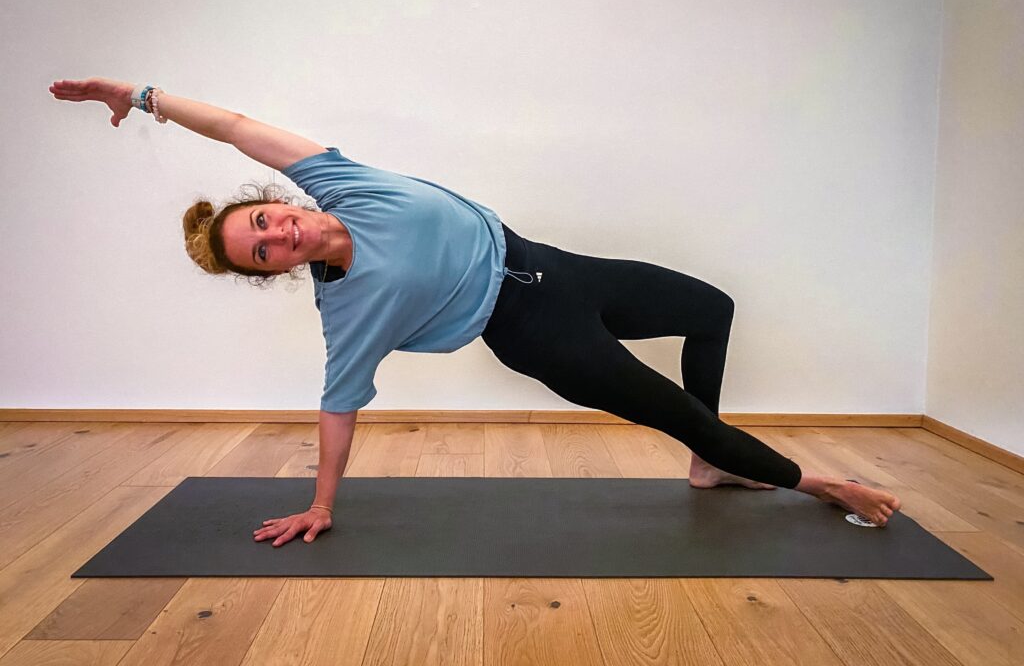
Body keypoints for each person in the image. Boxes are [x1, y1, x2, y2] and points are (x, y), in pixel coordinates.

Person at [49, 76, 902, 547]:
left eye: (265, 220)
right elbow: (338, 405)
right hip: (538, 335)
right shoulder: (348, 306)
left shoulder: (333, 178)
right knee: (677, 414)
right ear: (272, 270)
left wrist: (140, 94)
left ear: (277, 202)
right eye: (262, 252)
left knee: (711, 307)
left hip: (558, 267)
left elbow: (235, 125)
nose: (279, 235)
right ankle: (819, 483)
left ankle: (711, 463)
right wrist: (322, 503)